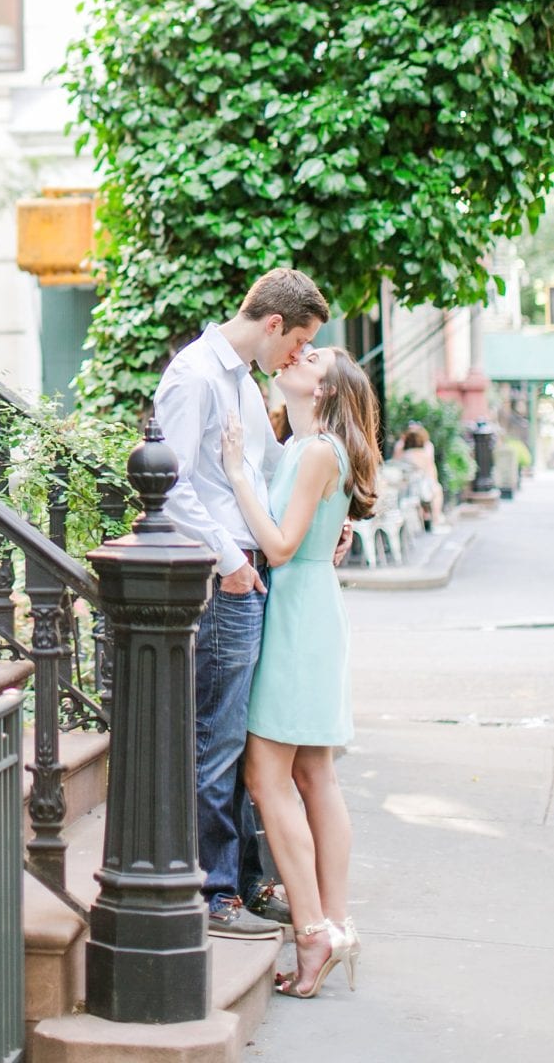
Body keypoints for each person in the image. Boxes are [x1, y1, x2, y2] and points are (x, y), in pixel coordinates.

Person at [154, 267, 333, 939]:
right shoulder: (195, 375)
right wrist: (229, 563)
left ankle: (247, 881)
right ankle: (214, 892)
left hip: (253, 570)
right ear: (272, 325)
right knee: (220, 736)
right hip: (223, 574)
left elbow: (260, 474)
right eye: (299, 343)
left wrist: (323, 522)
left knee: (245, 735)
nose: (296, 357)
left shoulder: (240, 382)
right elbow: (168, 483)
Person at [220, 344, 379, 998]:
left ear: (328, 389)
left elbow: (280, 546)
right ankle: (333, 924)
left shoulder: (315, 451)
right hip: (309, 610)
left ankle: (313, 928)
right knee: (314, 774)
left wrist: (233, 473)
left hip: (294, 616)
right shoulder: (306, 445)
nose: (298, 355)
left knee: (268, 775)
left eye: (314, 357)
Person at [393, 422, 444, 527]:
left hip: (406, 487)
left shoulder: (404, 453)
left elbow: (395, 463)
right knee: (436, 490)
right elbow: (431, 470)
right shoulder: (425, 453)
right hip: (421, 486)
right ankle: (435, 518)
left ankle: (427, 516)